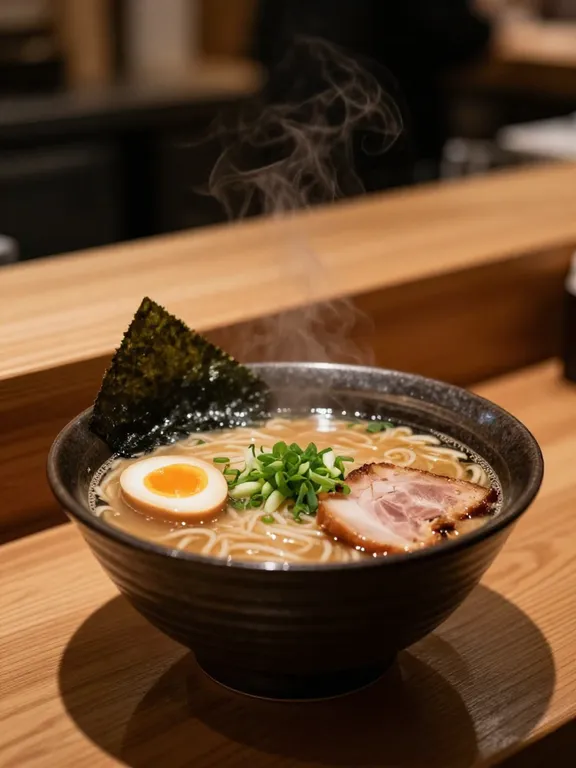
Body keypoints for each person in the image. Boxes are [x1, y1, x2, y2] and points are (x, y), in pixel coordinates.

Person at [253, 0, 492, 190]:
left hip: (289, 110)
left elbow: (260, 41)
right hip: (383, 135)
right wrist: (487, 22)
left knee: (299, 212)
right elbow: (451, 33)